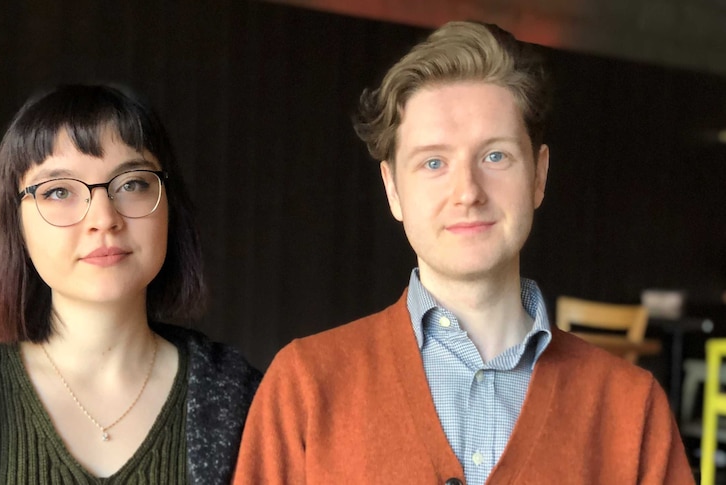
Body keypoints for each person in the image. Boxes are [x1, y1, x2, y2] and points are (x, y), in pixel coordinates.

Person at [233, 21, 693, 484]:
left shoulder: (633, 410)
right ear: (393, 189)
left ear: (539, 175)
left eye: (495, 156)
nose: (467, 191)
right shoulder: (305, 387)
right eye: (434, 162)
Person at [0, 84, 261, 484]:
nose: (103, 218)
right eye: (58, 191)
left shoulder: (244, 399)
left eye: (132, 184)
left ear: (168, 205)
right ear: (14, 223)